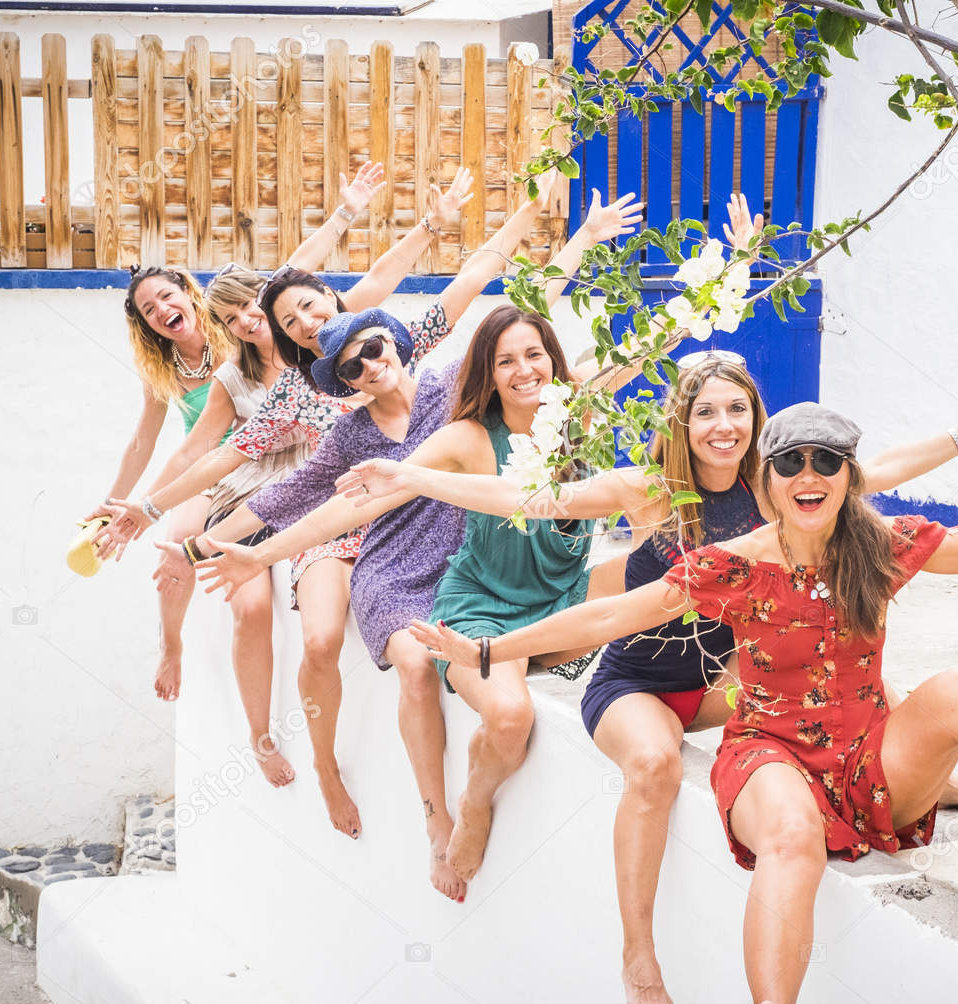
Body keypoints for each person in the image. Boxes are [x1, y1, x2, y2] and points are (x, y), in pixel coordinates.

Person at [409, 401, 958, 1004]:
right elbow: (611, 613)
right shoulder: (733, 564)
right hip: (768, 756)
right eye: (791, 462)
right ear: (769, 480)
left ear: (848, 475)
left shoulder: (882, 545)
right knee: (792, 833)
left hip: (867, 759)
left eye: (827, 461)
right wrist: (491, 650)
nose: (809, 474)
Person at [340, 353, 958, 1004]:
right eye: (706, 413)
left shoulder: (776, 485)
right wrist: (411, 474)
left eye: (737, 410)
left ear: (755, 418)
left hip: (722, 680)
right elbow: (528, 499)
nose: (723, 426)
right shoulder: (651, 490)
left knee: (841, 664)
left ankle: (942, 781)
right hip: (639, 682)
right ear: (683, 423)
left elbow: (889, 466)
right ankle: (636, 948)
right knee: (653, 766)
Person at [174, 189, 640, 890]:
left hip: (464, 561)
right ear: (342, 381)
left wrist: (582, 235)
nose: (368, 365)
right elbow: (291, 500)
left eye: (372, 349)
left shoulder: (452, 389)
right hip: (392, 569)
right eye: (350, 366)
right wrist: (215, 547)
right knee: (416, 665)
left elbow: (520, 314)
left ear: (392, 342)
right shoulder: (348, 435)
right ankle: (432, 815)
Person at [92, 168, 476, 813]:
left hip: (371, 495)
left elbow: (407, 283)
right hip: (294, 495)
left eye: (259, 310)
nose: (254, 321)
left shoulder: (351, 338)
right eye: (239, 318)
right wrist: (145, 508)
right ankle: (284, 739)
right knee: (245, 591)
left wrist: (406, 222)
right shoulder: (254, 383)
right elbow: (211, 453)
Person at [89, 163, 393, 708]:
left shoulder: (240, 332)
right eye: (149, 310)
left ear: (189, 294)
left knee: (195, 540)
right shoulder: (167, 370)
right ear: (144, 325)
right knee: (176, 543)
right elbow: (165, 445)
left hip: (257, 457)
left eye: (167, 297)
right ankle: (171, 643)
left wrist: (345, 213)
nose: (163, 311)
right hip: (219, 464)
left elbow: (294, 274)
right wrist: (123, 505)